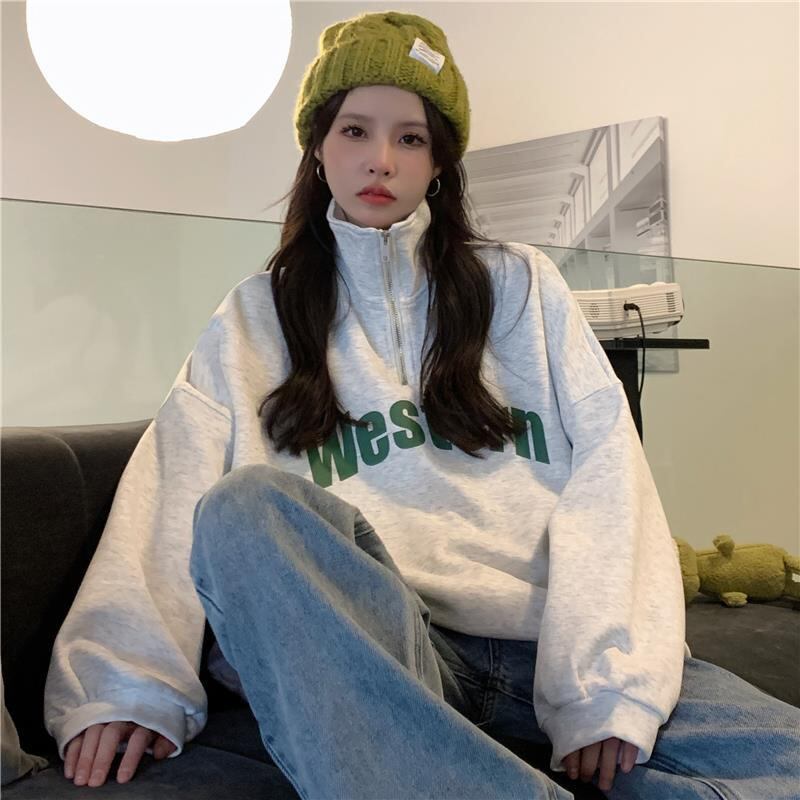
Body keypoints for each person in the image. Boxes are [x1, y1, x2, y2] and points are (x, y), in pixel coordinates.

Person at [44, 10, 799, 800]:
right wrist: (128, 683)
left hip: (539, 650)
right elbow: (171, 488)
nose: (381, 159)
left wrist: (604, 690)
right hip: (376, 656)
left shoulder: (521, 287)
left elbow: (611, 472)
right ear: (318, 147)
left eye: (410, 138)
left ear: (438, 160)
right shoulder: (252, 318)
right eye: (355, 131)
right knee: (244, 507)